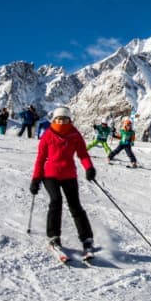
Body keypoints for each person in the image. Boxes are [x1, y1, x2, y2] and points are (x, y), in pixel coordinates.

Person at [29, 106, 96, 255]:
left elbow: (83, 154)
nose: (61, 121)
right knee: (56, 201)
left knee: (75, 206)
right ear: (54, 120)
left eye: (64, 119)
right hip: (50, 174)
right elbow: (40, 159)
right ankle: (53, 237)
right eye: (59, 119)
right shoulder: (48, 135)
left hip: (69, 175)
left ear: (69, 120)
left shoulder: (75, 135)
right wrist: (35, 179)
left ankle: (87, 239)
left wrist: (89, 168)